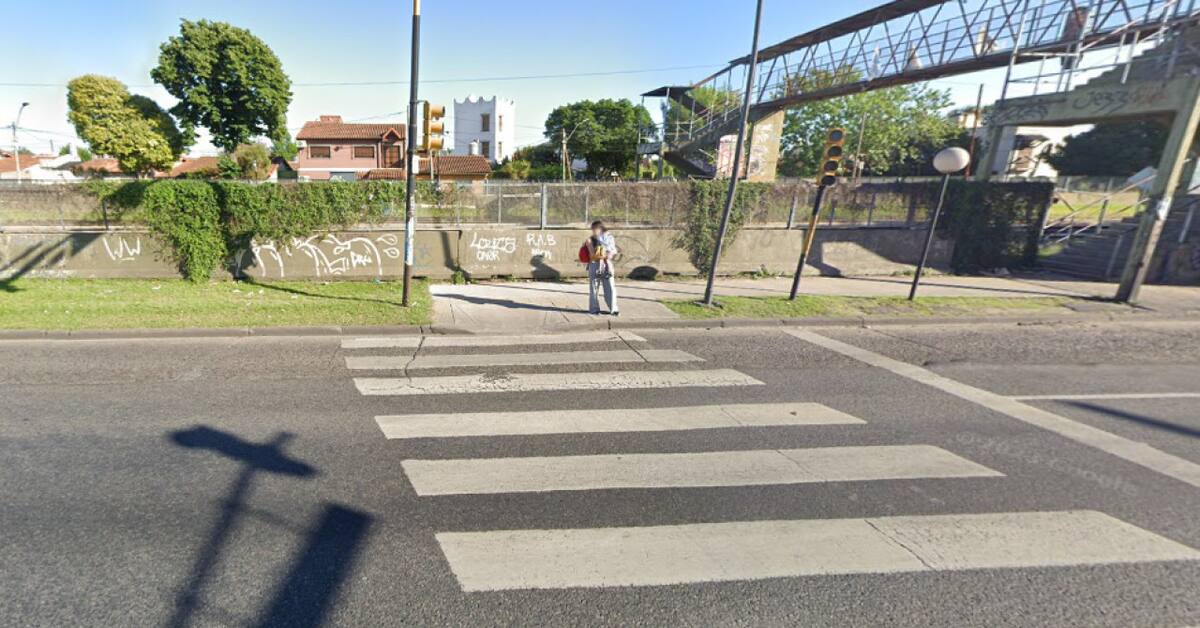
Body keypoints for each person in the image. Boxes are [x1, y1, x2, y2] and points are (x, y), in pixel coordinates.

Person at [585, 220, 619, 316]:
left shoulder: (608, 237)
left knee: (609, 287)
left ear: (599, 228)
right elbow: (593, 255)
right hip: (596, 264)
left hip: (605, 265)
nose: (593, 231)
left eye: (594, 229)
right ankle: (595, 309)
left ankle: (612, 309)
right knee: (595, 288)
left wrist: (603, 253)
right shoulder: (592, 239)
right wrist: (590, 247)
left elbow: (611, 252)